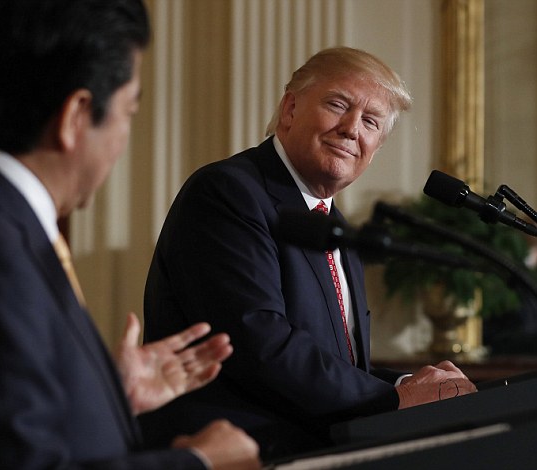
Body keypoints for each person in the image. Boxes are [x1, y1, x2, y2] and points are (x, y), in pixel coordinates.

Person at [0, 0, 261, 469]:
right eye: (129, 112)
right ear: (77, 114)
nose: (124, 138)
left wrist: (102, 394)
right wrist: (200, 464)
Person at [142, 47, 478, 460]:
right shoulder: (229, 193)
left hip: (312, 451)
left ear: (375, 148)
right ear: (290, 108)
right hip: (232, 454)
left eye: (370, 122)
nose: (352, 129)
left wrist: (407, 385)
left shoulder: (335, 226)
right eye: (338, 105)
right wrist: (398, 399)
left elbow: (339, 366)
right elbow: (260, 343)